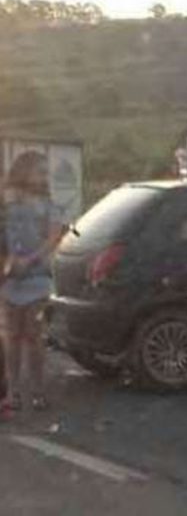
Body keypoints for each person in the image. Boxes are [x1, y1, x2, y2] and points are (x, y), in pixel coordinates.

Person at [0, 151, 63, 416]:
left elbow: (54, 235)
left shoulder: (47, 203)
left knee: (35, 338)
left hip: (37, 279)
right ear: (25, 171)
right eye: (40, 171)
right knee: (11, 338)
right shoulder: (8, 200)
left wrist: (32, 259)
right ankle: (12, 391)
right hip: (10, 278)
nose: (44, 177)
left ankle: (38, 390)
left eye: (46, 172)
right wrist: (9, 261)